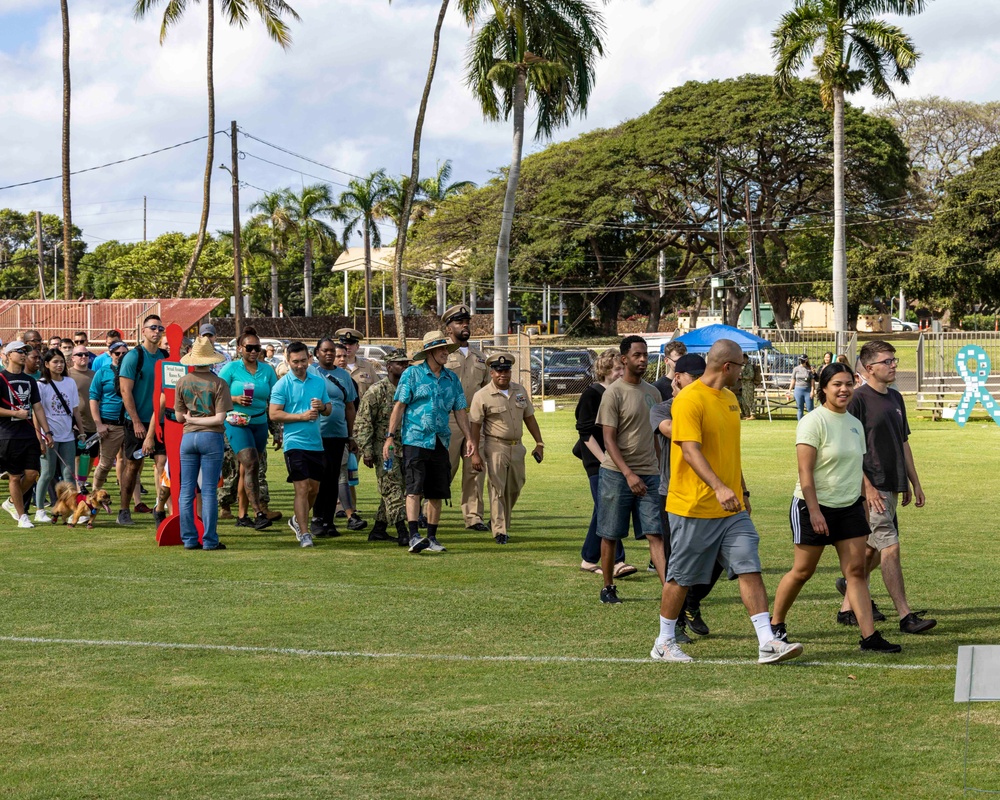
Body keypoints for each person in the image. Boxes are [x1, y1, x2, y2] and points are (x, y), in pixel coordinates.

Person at [651, 338, 803, 664]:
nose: (743, 372)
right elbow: (689, 450)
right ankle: (663, 641)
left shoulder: (730, 399)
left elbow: (729, 453)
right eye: (741, 366)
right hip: (693, 507)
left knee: (749, 562)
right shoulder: (689, 400)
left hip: (731, 510)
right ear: (727, 367)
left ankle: (767, 642)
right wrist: (720, 487)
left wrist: (741, 490)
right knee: (680, 577)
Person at [770, 362, 902, 653]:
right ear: (824, 389)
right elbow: (805, 472)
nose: (844, 390)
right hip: (812, 506)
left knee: (855, 570)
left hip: (849, 507)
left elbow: (857, 468)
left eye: (848, 384)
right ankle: (775, 626)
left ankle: (869, 637)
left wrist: (863, 505)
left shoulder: (854, 424)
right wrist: (815, 511)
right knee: (803, 571)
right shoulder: (813, 422)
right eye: (837, 385)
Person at [837, 340, 936, 635]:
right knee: (889, 548)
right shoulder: (857, 399)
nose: (894, 365)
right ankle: (905, 616)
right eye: (887, 361)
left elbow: (902, 442)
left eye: (894, 360)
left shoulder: (895, 397)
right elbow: (848, 448)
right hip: (871, 487)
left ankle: (847, 606)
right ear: (869, 368)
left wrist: (913, 482)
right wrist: (865, 486)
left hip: (891, 484)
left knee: (872, 552)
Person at [650, 353, 722, 643]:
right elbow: (672, 431)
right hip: (675, 495)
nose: (700, 382)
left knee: (721, 558)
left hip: (713, 491)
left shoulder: (713, 403)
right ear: (678, 378)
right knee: (676, 563)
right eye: (694, 377)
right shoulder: (662, 409)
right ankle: (676, 624)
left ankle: (691, 600)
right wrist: (693, 409)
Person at [382, 330, 474, 554]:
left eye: (447, 349)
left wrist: (470, 438)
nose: (446, 353)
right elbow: (399, 406)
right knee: (413, 489)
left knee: (437, 492)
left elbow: (460, 409)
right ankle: (414, 535)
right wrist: (390, 437)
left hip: (441, 440)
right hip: (415, 439)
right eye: (442, 349)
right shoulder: (412, 374)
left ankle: (431, 537)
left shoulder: (451, 378)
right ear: (430, 352)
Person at [594, 336, 663, 604]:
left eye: (645, 354)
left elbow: (657, 436)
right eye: (637, 355)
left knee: (656, 533)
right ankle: (608, 587)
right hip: (616, 474)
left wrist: (660, 469)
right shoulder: (614, 392)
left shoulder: (653, 393)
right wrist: (628, 474)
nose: (643, 359)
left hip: (650, 473)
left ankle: (668, 588)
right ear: (624, 359)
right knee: (610, 533)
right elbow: (608, 439)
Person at [469, 353, 544, 544]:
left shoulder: (519, 390)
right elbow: (475, 426)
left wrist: (539, 443)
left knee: (516, 485)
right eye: (499, 371)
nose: (503, 374)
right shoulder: (482, 395)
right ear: (491, 372)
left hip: (517, 447)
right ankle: (499, 529)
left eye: (506, 370)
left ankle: (499, 519)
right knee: (497, 488)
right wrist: (475, 453)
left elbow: (529, 417)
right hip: (495, 446)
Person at [574, 348, 635, 577]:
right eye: (618, 368)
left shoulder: (620, 393)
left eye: (622, 368)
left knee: (602, 511)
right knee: (610, 510)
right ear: (606, 370)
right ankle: (618, 561)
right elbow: (585, 433)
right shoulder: (592, 394)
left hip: (615, 461)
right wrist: (603, 461)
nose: (621, 372)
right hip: (598, 462)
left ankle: (589, 559)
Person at [269, 341, 331, 548]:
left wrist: (322, 407)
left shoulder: (318, 381)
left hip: (316, 444)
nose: (300, 365)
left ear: (309, 359)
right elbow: (274, 413)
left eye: (303, 360)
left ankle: (297, 519)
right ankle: (305, 533)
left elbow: (329, 408)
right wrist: (301, 417)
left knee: (314, 489)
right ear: (287, 361)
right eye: (295, 362)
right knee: (302, 488)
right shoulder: (282, 385)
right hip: (294, 443)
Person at [174, 337, 233, 550]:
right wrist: (198, 420)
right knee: (208, 491)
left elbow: (180, 418)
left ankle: (189, 539)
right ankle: (209, 540)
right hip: (211, 437)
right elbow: (219, 418)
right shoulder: (219, 383)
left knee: (186, 490)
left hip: (188, 437)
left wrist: (192, 420)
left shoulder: (182, 381)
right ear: (211, 360)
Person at [218, 327, 279, 531]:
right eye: (249, 348)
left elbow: (274, 398)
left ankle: (242, 515)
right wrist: (234, 399)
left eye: (257, 348)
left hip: (259, 422)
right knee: (251, 463)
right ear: (239, 348)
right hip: (236, 422)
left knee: (247, 469)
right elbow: (217, 394)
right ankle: (258, 512)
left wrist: (276, 429)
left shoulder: (268, 370)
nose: (254, 352)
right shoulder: (231, 369)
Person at [441, 304, 491, 531]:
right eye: (460, 322)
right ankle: (425, 511)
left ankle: (473, 517)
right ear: (449, 327)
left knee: (474, 470)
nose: (465, 326)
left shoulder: (480, 358)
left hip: (474, 420)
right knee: (444, 468)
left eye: (466, 322)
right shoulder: (441, 354)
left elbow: (488, 389)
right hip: (449, 419)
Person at [355, 349, 411, 545]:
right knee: (393, 488)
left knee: (396, 488)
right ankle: (403, 531)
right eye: (400, 364)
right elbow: (363, 422)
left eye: (406, 364)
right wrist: (367, 451)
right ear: (389, 367)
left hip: (407, 447)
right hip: (384, 449)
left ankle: (379, 528)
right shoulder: (377, 391)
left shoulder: (409, 389)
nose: (404, 367)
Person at [117, 314, 168, 525]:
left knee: (163, 464)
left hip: (161, 421)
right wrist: (137, 421)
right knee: (132, 466)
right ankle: (123, 510)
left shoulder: (165, 357)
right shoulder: (133, 356)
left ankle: (160, 509)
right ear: (143, 331)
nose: (156, 331)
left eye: (160, 328)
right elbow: (125, 391)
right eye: (152, 328)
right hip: (136, 421)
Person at [308, 337, 360, 537]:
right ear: (317, 353)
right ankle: (316, 519)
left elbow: (349, 407)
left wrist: (351, 435)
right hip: (316, 434)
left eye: (332, 351)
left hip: (338, 434)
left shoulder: (344, 376)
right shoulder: (311, 372)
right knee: (318, 478)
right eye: (325, 350)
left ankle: (328, 521)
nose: (329, 354)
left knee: (332, 479)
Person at [0, 341, 53, 528]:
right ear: (8, 355)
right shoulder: (0, 377)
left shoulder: (30, 380)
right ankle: (22, 516)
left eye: (25, 352)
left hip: (28, 433)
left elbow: (38, 407)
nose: (24, 355)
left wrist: (47, 432)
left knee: (32, 474)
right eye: (19, 351)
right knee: (14, 476)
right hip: (8, 434)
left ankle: (12, 503)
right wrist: (14, 413)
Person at [35, 349, 86, 522]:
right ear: (47, 364)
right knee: (47, 473)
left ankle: (70, 511)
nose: (59, 365)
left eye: (61, 362)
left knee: (69, 475)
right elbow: (37, 412)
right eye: (55, 362)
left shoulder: (70, 382)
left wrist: (81, 432)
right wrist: (41, 437)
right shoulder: (41, 384)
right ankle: (40, 510)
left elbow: (75, 410)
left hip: (68, 436)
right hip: (49, 436)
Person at [89, 340, 138, 502]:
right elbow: (93, 398)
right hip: (110, 423)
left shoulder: (134, 371)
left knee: (133, 463)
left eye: (125, 353)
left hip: (130, 422)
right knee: (105, 464)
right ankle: (94, 495)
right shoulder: (103, 372)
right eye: (117, 353)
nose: (121, 356)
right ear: (110, 354)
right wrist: (98, 424)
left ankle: (136, 501)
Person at [68, 345, 99, 484]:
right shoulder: (68, 375)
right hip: (76, 423)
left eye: (86, 354)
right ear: (73, 357)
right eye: (80, 354)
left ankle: (82, 481)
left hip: (94, 422)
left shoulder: (94, 374)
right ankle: (77, 485)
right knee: (78, 456)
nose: (83, 357)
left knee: (91, 456)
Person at [787, 354, 814, 420]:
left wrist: (812, 391)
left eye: (803, 360)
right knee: (800, 408)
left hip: (807, 390)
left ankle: (811, 424)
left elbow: (812, 381)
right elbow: (793, 380)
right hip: (798, 390)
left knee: (810, 409)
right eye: (800, 360)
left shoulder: (809, 369)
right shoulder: (796, 369)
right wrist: (789, 390)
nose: (801, 361)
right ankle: (800, 423)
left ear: (806, 360)